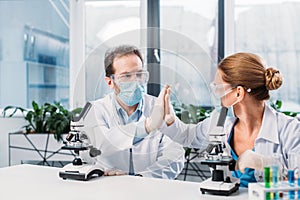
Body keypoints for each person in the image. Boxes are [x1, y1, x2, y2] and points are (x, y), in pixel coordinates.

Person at [160, 52, 300, 187]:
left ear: (238, 93)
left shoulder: (290, 131)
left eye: (218, 88)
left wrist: (267, 165)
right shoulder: (220, 122)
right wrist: (171, 121)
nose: (215, 94)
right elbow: (188, 136)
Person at [88, 44, 184, 179]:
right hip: (108, 187)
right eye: (126, 76)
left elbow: (175, 154)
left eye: (139, 74)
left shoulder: (159, 107)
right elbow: (100, 145)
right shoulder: (96, 110)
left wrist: (142, 177)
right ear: (110, 82)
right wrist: (146, 126)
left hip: (149, 189)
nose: (135, 80)